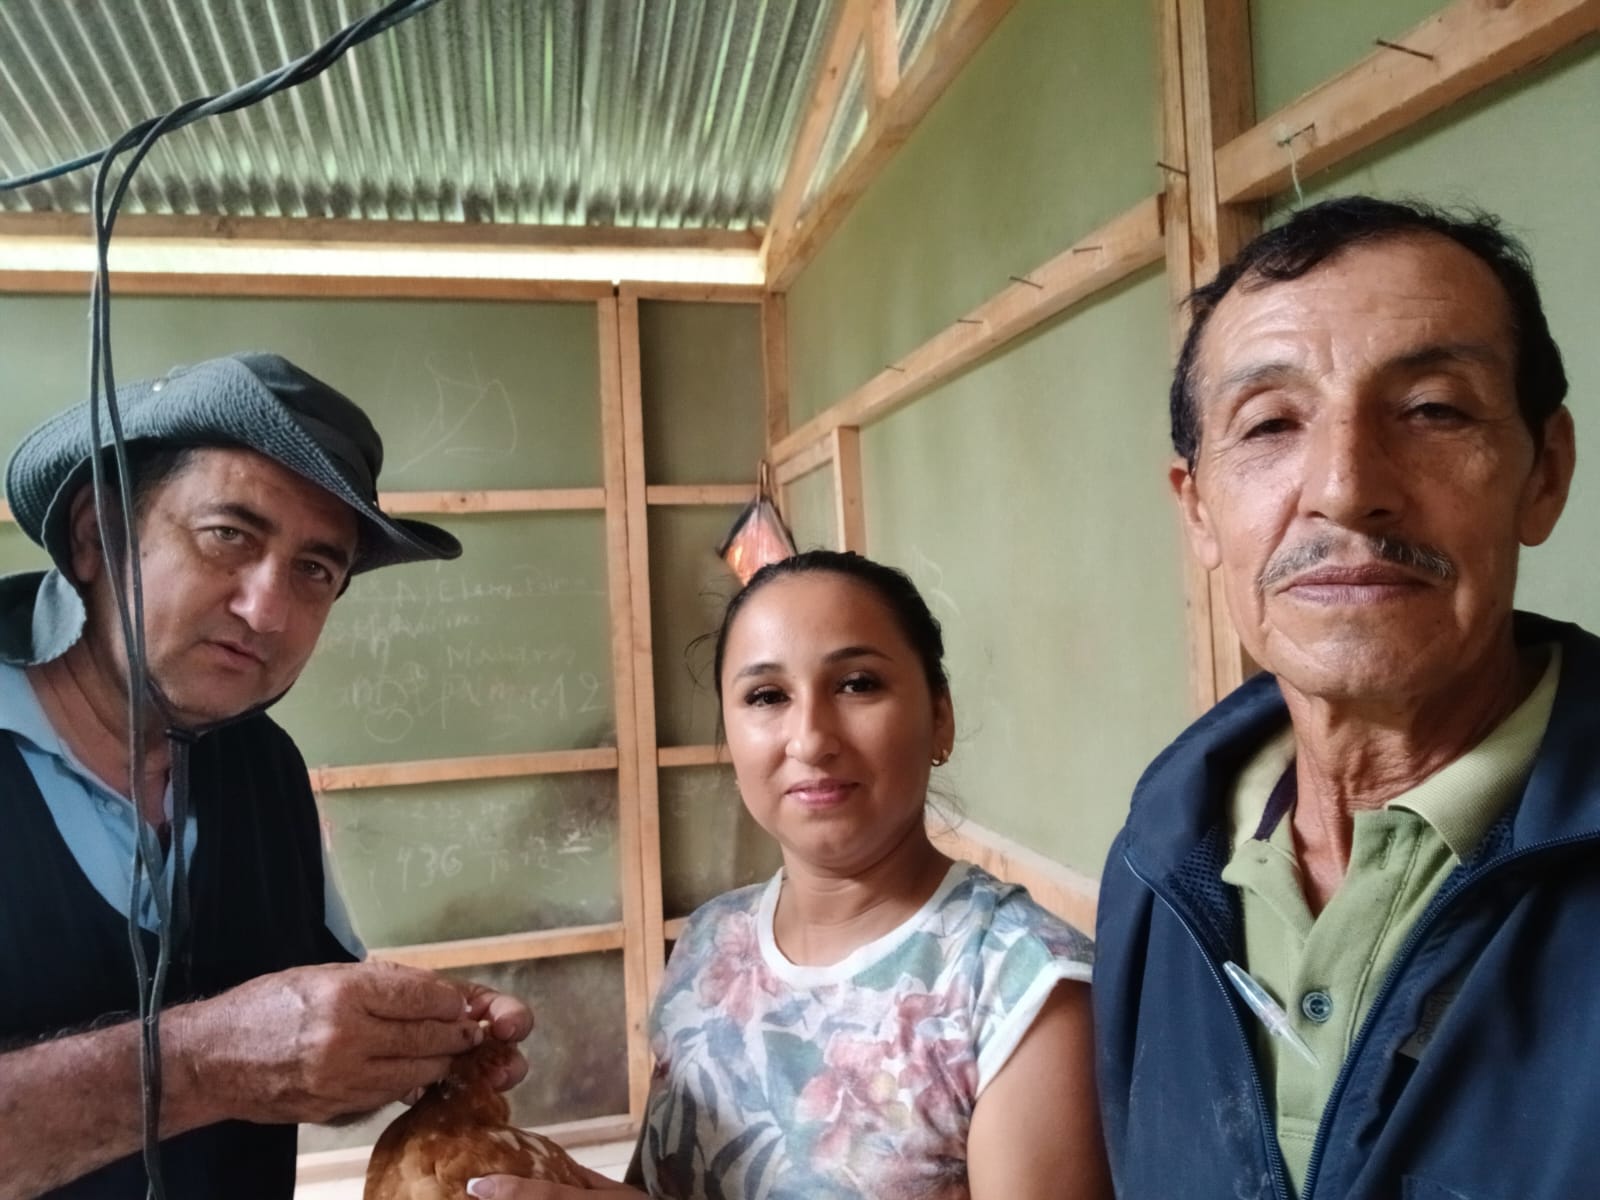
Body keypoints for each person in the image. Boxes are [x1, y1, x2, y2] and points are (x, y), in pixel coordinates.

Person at [1094, 195, 1597, 1199]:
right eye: (1270, 424)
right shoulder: (1158, 854)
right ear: (1199, 512)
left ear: (1543, 474)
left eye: (1432, 411)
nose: (1344, 485)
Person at [0, 353, 532, 1199]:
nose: (267, 610)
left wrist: (404, 1041)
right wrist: (204, 1064)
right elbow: (240, 1061)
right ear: (97, 535)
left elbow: (303, 1070)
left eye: (315, 570)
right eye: (229, 536)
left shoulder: (264, 765)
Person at [468, 549, 1109, 1200]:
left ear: (939, 717)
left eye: (857, 684)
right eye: (767, 696)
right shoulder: (712, 944)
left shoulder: (1023, 990)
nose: (810, 739)